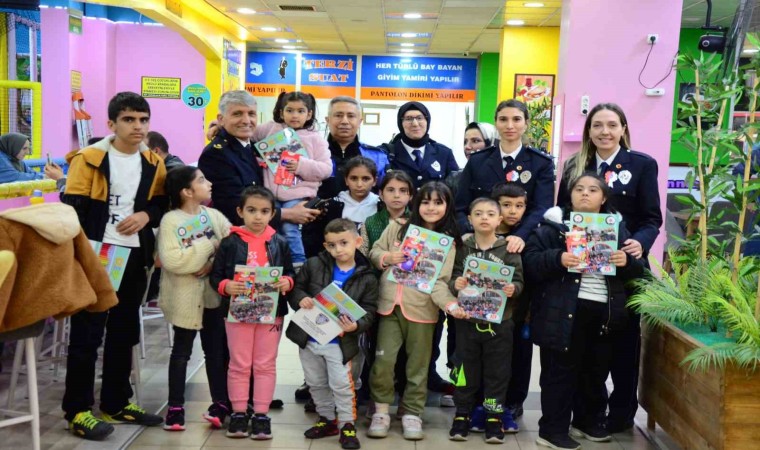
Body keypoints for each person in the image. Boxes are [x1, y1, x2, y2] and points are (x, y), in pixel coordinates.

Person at [61, 92, 167, 440]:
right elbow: (73, 207)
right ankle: (78, 410)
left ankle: (116, 402)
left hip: (134, 255)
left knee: (125, 330)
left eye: (143, 120)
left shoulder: (153, 162)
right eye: (129, 119)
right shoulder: (88, 159)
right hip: (98, 253)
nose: (138, 126)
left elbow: (159, 204)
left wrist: (145, 215)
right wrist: (82, 255)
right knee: (88, 333)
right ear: (111, 123)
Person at [556, 103, 662, 433]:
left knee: (624, 347)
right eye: (597, 125)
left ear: (623, 129)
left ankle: (621, 415)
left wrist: (639, 244)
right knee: (586, 347)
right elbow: (561, 212)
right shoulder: (575, 165)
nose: (605, 131)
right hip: (584, 271)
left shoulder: (642, 164)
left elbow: (651, 218)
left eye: (612, 125)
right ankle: (589, 413)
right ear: (588, 130)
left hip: (624, 267)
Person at [523, 173, 644, 450]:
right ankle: (552, 430)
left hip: (605, 312)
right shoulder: (552, 228)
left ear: (603, 198)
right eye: (579, 189)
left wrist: (626, 261)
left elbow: (640, 272)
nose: (585, 194)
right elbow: (530, 263)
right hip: (563, 311)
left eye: (592, 190)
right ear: (571, 195)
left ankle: (587, 422)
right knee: (560, 372)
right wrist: (558, 258)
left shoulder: (618, 230)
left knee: (595, 370)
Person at [367, 181, 466, 441]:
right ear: (416, 203)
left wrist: (450, 304)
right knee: (384, 361)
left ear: (448, 206)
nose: (431, 208)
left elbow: (441, 282)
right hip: (389, 306)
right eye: (425, 201)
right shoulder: (398, 227)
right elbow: (375, 251)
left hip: (423, 311)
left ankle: (412, 412)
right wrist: (387, 258)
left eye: (438, 202)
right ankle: (381, 410)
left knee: (418, 366)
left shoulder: (447, 243)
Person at [209, 186, 295, 440]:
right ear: (240, 211)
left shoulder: (280, 242)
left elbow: (290, 272)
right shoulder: (229, 242)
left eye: (264, 211)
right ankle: (238, 413)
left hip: (271, 312)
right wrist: (226, 286)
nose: (258, 216)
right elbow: (216, 277)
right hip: (238, 312)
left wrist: (287, 282)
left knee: (265, 364)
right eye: (252, 210)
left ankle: (261, 415)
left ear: (272, 214)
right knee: (239, 363)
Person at [286, 218, 379, 450]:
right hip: (309, 337)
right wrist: (300, 299)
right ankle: (327, 419)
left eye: (343, 243)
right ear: (325, 246)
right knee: (316, 382)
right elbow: (297, 288)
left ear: (357, 242)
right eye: (332, 245)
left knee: (342, 385)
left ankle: (347, 424)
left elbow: (370, 310)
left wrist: (356, 326)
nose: (338, 249)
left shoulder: (367, 276)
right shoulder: (313, 264)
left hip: (340, 342)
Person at [157, 166, 231, 431]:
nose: (208, 183)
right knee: (181, 353)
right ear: (187, 191)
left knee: (216, 352)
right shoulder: (170, 221)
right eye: (202, 180)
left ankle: (220, 404)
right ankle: (175, 407)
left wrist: (210, 264)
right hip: (184, 298)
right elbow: (173, 260)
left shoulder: (213, 215)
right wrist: (209, 246)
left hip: (212, 298)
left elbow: (231, 247)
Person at [447, 197, 523, 444]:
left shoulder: (508, 249)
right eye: (478, 213)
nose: (484, 218)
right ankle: (462, 413)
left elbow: (519, 281)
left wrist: (513, 288)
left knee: (497, 372)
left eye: (490, 214)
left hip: (500, 323)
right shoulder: (463, 247)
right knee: (464, 369)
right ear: (469, 219)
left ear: (499, 219)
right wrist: (456, 283)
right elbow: (452, 276)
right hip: (467, 321)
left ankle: (494, 416)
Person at [197, 90, 320, 228]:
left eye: (251, 114)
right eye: (237, 114)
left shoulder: (256, 145)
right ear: (221, 119)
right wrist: (288, 213)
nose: (246, 120)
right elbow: (233, 207)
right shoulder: (215, 155)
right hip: (239, 236)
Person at [455, 99, 554, 252]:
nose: (509, 125)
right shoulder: (477, 161)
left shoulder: (540, 163)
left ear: (526, 124)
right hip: (479, 240)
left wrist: (520, 235)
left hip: (522, 243)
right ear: (496, 123)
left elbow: (542, 207)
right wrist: (467, 231)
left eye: (516, 119)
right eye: (503, 119)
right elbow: (460, 205)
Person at [253, 91, 332, 264]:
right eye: (289, 110)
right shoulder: (270, 128)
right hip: (270, 195)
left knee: (290, 229)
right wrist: (219, 126)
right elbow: (248, 133)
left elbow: (326, 169)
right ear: (281, 112)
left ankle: (298, 263)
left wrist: (301, 165)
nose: (295, 115)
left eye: (300, 111)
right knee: (267, 229)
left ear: (309, 114)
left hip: (297, 195)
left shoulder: (315, 139)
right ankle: (271, 262)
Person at [491, 184, 532, 425]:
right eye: (506, 205)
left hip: (519, 311)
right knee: (491, 357)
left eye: (519, 206)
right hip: (487, 311)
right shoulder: (483, 233)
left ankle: (515, 401)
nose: (513, 211)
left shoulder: (529, 237)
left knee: (520, 355)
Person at [302, 157, 381, 258]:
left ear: (374, 181)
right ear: (346, 180)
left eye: (365, 179)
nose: (359, 184)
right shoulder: (331, 206)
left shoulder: (381, 206)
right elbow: (315, 241)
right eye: (354, 178)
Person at [318, 96, 389, 199]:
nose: (344, 121)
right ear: (327, 120)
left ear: (360, 121)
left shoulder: (377, 157)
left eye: (351, 116)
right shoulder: (312, 154)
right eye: (338, 115)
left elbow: (386, 192)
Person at [384, 102, 459, 189]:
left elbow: (455, 189)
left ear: (427, 121)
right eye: (408, 119)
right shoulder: (387, 153)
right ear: (401, 123)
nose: (415, 124)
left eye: (420, 118)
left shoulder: (444, 154)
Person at [360, 170, 415, 256]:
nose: (396, 195)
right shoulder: (370, 222)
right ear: (381, 194)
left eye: (403, 190)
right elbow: (362, 256)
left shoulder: (417, 222)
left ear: (410, 196)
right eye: (391, 190)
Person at [0, 132, 64, 184]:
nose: (27, 152)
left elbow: (32, 173)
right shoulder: (1, 159)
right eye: (24, 148)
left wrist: (49, 174)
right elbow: (15, 177)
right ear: (13, 146)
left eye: (28, 149)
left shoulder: (16, 159)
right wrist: (44, 177)